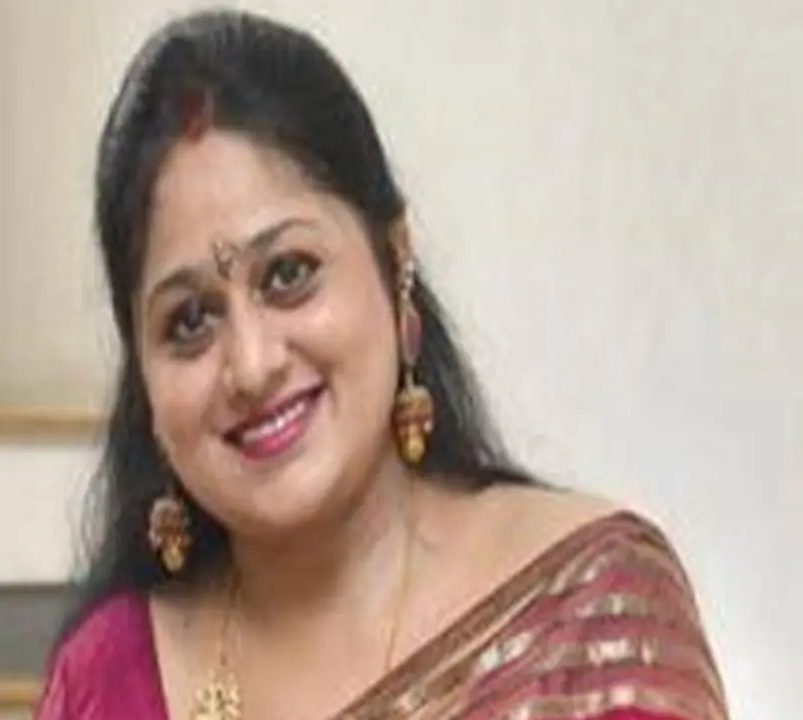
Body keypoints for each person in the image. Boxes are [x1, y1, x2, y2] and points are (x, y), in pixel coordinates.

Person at [36, 9, 728, 720]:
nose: (251, 364)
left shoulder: (589, 622)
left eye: (288, 274)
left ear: (395, 264)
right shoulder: (107, 679)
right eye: (189, 321)